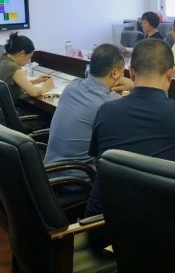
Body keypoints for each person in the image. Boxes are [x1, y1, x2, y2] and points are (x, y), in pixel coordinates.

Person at [84, 39, 175, 248]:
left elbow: (99, 160)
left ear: (131, 73)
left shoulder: (106, 110)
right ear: (171, 73)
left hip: (101, 228)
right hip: (156, 236)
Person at [43, 44, 133, 181]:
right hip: (78, 180)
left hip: (49, 173)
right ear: (115, 73)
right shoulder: (109, 104)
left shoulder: (72, 86)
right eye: (122, 72)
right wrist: (133, 85)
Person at [0, 32, 55, 102]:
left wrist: (36, 81)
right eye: (29, 57)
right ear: (22, 53)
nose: (29, 61)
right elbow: (34, 92)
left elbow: (14, 85)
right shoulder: (14, 68)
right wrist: (45, 87)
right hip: (14, 107)